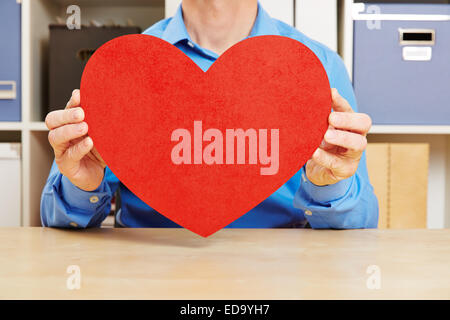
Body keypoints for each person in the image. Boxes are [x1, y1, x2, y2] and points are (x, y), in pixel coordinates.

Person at [41, 0, 378, 229]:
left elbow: (362, 224)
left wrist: (327, 186)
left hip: (281, 276)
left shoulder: (318, 67)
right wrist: (81, 186)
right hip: (148, 276)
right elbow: (54, 221)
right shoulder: (127, 69)